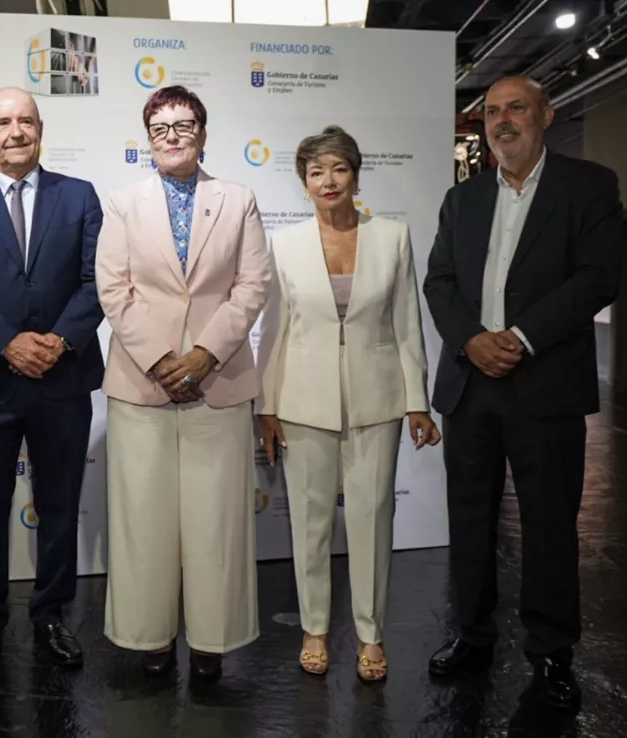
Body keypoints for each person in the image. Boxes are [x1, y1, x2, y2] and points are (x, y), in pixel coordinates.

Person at [422, 75, 622, 709]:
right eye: (491, 112)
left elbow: (598, 277)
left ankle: (552, 652)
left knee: (550, 526)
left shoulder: (589, 187)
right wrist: (474, 341)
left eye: (516, 109)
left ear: (546, 115)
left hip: (546, 384)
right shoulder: (463, 198)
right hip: (471, 384)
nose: (502, 120)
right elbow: (440, 282)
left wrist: (521, 337)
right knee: (471, 521)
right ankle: (472, 636)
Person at [95, 85, 270, 680]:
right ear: (147, 138)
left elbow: (252, 286)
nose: (173, 136)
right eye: (161, 127)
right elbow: (113, 289)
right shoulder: (122, 203)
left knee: (215, 523)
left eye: (184, 124)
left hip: (217, 383)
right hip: (141, 384)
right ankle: (152, 638)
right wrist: (163, 361)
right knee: (144, 519)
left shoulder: (238, 199)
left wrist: (203, 355)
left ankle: (211, 642)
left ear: (203, 132)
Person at [256, 125, 440, 682]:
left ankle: (370, 633)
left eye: (338, 168)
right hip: (302, 403)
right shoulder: (285, 244)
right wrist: (266, 406)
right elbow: (275, 330)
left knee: (372, 519)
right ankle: (314, 628)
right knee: (309, 523)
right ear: (303, 183)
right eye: (315, 172)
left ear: (355, 174)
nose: (328, 180)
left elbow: (407, 324)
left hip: (378, 400)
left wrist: (417, 401)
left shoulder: (393, 236)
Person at [0, 86, 105, 673]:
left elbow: (96, 281)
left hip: (62, 377)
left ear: (41, 129)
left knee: (59, 506)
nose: (15, 132)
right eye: (3, 123)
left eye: (25, 121)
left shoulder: (79, 196)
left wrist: (58, 341)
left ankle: (52, 614)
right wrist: (7, 343)